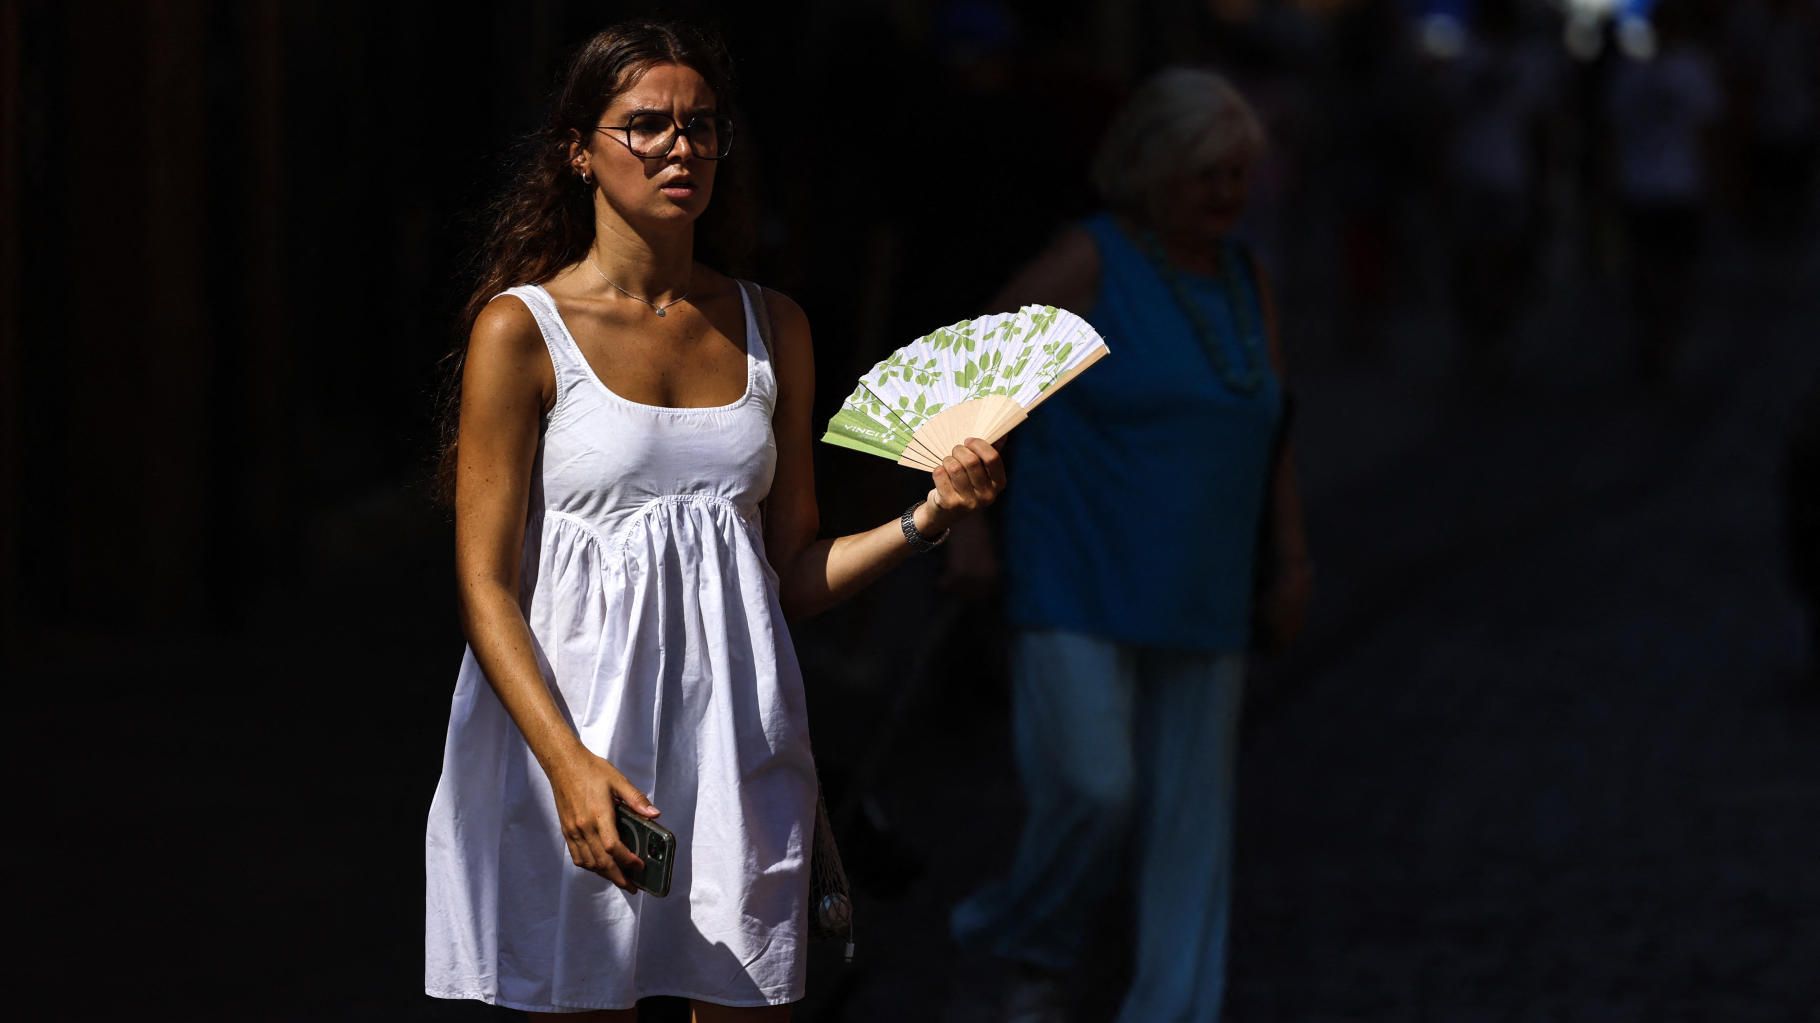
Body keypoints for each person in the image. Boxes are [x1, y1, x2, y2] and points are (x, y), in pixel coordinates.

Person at [421, 22, 1005, 1020]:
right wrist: (567, 768)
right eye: (644, 125)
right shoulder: (521, 330)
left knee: (748, 1000)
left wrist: (927, 518)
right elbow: (484, 585)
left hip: (734, 738)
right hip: (572, 740)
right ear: (578, 149)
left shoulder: (772, 325)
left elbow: (788, 574)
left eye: (698, 127)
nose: (678, 147)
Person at [944, 68, 1310, 1021]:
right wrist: (966, 520)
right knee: (1097, 789)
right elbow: (968, 381)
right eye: (1205, 177)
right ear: (1149, 171)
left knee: (1193, 828)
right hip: (1079, 576)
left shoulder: (1243, 277)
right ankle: (1036, 936)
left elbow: (1269, 424)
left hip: (1207, 587)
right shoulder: (1092, 262)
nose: (1226, 197)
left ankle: (1174, 1008)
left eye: (1236, 176)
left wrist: (1294, 556)